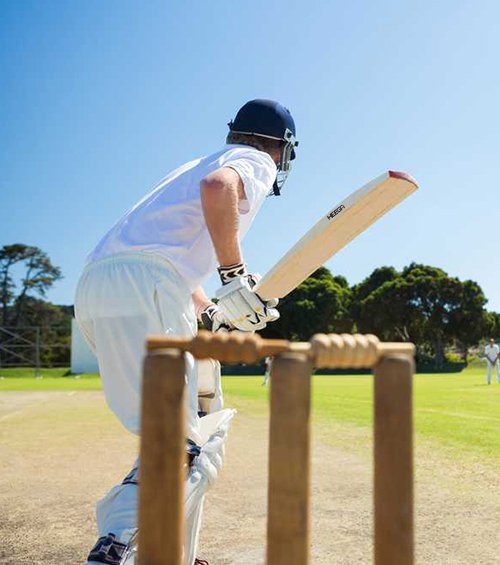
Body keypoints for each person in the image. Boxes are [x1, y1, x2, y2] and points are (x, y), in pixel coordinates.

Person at [74, 99, 298, 564]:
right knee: (181, 443)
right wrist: (235, 275)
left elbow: (173, 261)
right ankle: (118, 544)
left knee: (193, 424)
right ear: (281, 146)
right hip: (147, 288)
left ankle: (174, 552)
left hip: (100, 287)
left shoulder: (195, 163)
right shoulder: (252, 160)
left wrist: (213, 310)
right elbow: (218, 191)